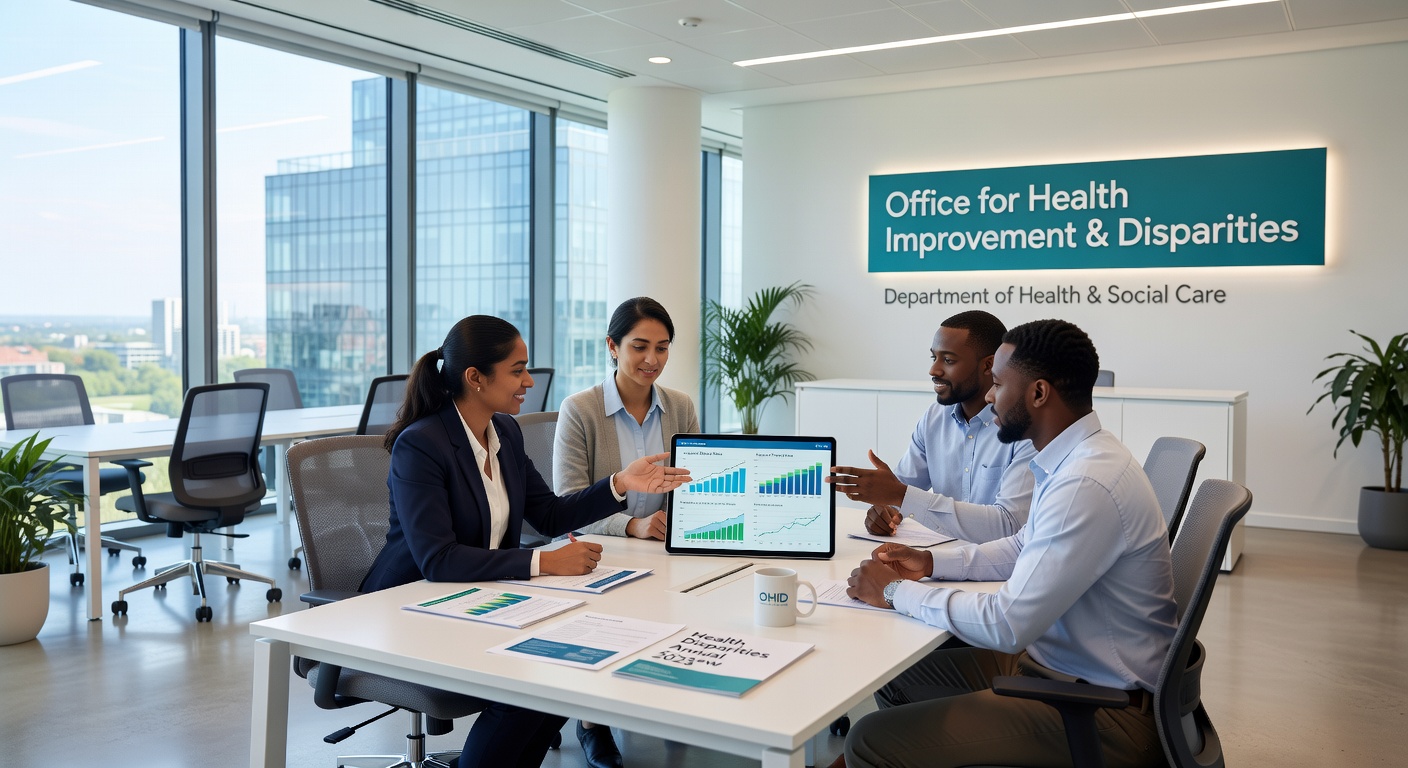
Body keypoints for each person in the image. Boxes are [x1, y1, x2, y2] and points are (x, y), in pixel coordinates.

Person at [837, 319, 1177, 768]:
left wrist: (896, 591)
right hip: (1056, 668)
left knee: (869, 740)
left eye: (997, 383)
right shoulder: (1081, 455)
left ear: (1038, 394)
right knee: (892, 674)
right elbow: (1020, 547)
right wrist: (929, 563)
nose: (991, 396)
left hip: (1100, 710)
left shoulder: (1086, 481)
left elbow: (1007, 624)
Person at [360, 315, 690, 768]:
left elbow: (550, 513)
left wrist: (618, 483)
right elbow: (438, 560)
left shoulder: (505, 432)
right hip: (413, 605)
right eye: (517, 370)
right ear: (475, 378)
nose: (529, 381)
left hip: (482, 597)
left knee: (563, 672)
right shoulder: (423, 445)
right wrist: (545, 563)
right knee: (525, 687)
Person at [553, 297, 699, 768]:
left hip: (664, 551)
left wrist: (679, 519)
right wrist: (632, 525)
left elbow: (695, 483)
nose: (652, 359)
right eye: (639, 346)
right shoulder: (580, 410)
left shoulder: (679, 407)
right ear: (612, 347)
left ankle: (668, 698)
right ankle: (592, 722)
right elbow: (568, 505)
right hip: (600, 551)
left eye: (662, 347)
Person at [828, 310, 1036, 545]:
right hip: (944, 559)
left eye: (948, 360)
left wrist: (900, 495)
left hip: (1001, 569)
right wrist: (885, 511)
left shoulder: (1023, 428)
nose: (934, 370)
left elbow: (1010, 526)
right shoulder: (935, 417)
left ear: (988, 365)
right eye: (934, 358)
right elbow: (899, 494)